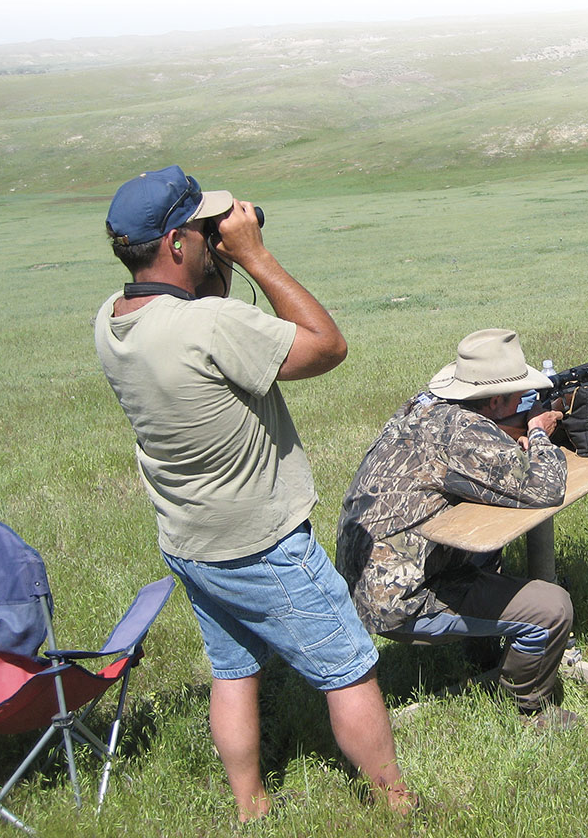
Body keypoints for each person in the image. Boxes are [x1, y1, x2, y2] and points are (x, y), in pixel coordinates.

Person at [93, 165, 414, 821]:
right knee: (350, 667)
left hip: (192, 540)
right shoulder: (209, 326)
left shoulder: (113, 319)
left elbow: (199, 308)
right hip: (260, 543)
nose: (217, 239)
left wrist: (217, 258)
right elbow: (327, 347)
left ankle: (250, 807)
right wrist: (254, 253)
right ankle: (400, 806)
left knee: (234, 669)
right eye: (203, 230)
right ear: (180, 244)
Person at [336, 328, 578, 729]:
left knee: (489, 545)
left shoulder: (424, 406)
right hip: (401, 600)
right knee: (552, 609)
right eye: (520, 397)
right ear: (496, 400)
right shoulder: (464, 431)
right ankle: (526, 707)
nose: (525, 403)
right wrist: (538, 431)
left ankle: (481, 653)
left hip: (364, 577)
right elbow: (546, 488)